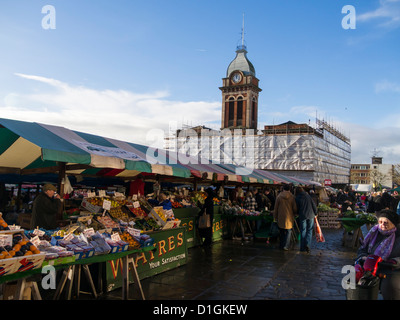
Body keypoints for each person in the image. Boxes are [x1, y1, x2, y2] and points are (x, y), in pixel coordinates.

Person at [356, 209, 400, 300]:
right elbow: (362, 248)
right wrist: (363, 256)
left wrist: (395, 261)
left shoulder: (398, 236)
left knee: (390, 285)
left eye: (386, 222)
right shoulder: (374, 232)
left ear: (394, 224)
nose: (382, 224)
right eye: (380, 222)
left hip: (390, 268)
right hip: (370, 266)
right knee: (353, 277)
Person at [273, 184, 297, 250]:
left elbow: (276, 208)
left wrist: (275, 217)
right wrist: (295, 213)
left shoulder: (279, 196)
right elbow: (295, 208)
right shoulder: (292, 197)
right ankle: (286, 246)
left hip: (281, 216)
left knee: (282, 231)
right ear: (289, 189)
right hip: (289, 217)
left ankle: (281, 245)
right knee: (289, 231)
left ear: (283, 189)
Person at [295, 186, 317, 253]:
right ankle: (308, 244)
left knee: (303, 231)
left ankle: (302, 247)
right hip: (311, 215)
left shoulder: (297, 198)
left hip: (302, 215)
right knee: (309, 230)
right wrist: (316, 213)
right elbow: (314, 205)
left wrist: (297, 213)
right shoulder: (308, 196)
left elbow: (297, 208)